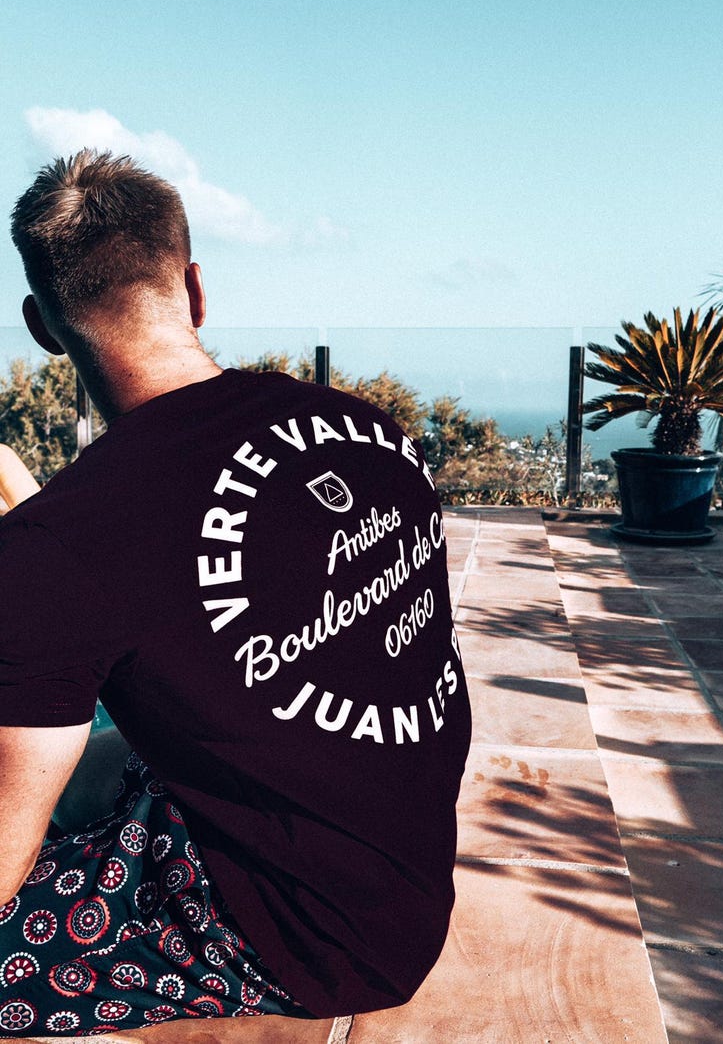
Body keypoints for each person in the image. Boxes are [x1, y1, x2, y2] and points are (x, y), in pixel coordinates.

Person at [0, 150, 471, 1036]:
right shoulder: (371, 432)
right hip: (401, 871)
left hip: (302, 934)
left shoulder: (65, 542)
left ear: (43, 326)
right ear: (195, 287)